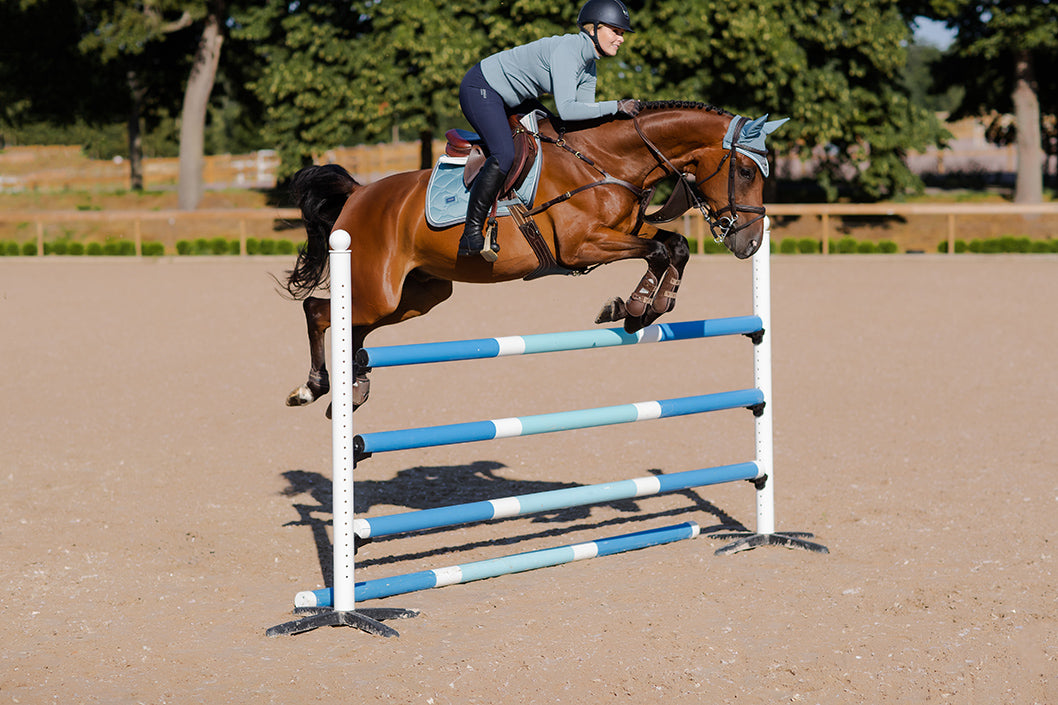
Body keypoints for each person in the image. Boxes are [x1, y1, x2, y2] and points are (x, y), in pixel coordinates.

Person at [456, 0, 641, 259]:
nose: (620, 39)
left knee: (557, 138)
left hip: (513, 98)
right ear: (593, 29)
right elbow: (567, 109)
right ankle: (471, 233)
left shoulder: (589, 65)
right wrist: (616, 106)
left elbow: (580, 117)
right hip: (481, 88)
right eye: (615, 31)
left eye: (622, 33)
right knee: (505, 154)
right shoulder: (569, 49)